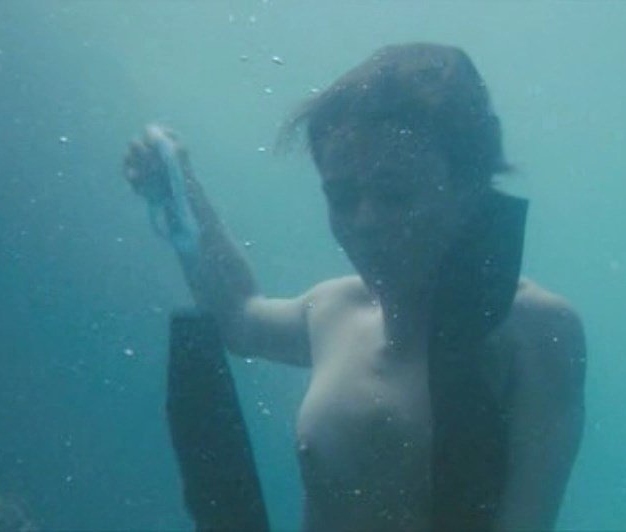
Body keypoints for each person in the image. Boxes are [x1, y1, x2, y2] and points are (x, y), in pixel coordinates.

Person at [122, 43, 587, 531]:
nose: (365, 222)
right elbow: (238, 317)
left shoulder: (536, 331)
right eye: (342, 197)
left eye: (395, 195)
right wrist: (179, 192)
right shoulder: (333, 310)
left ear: (469, 189)